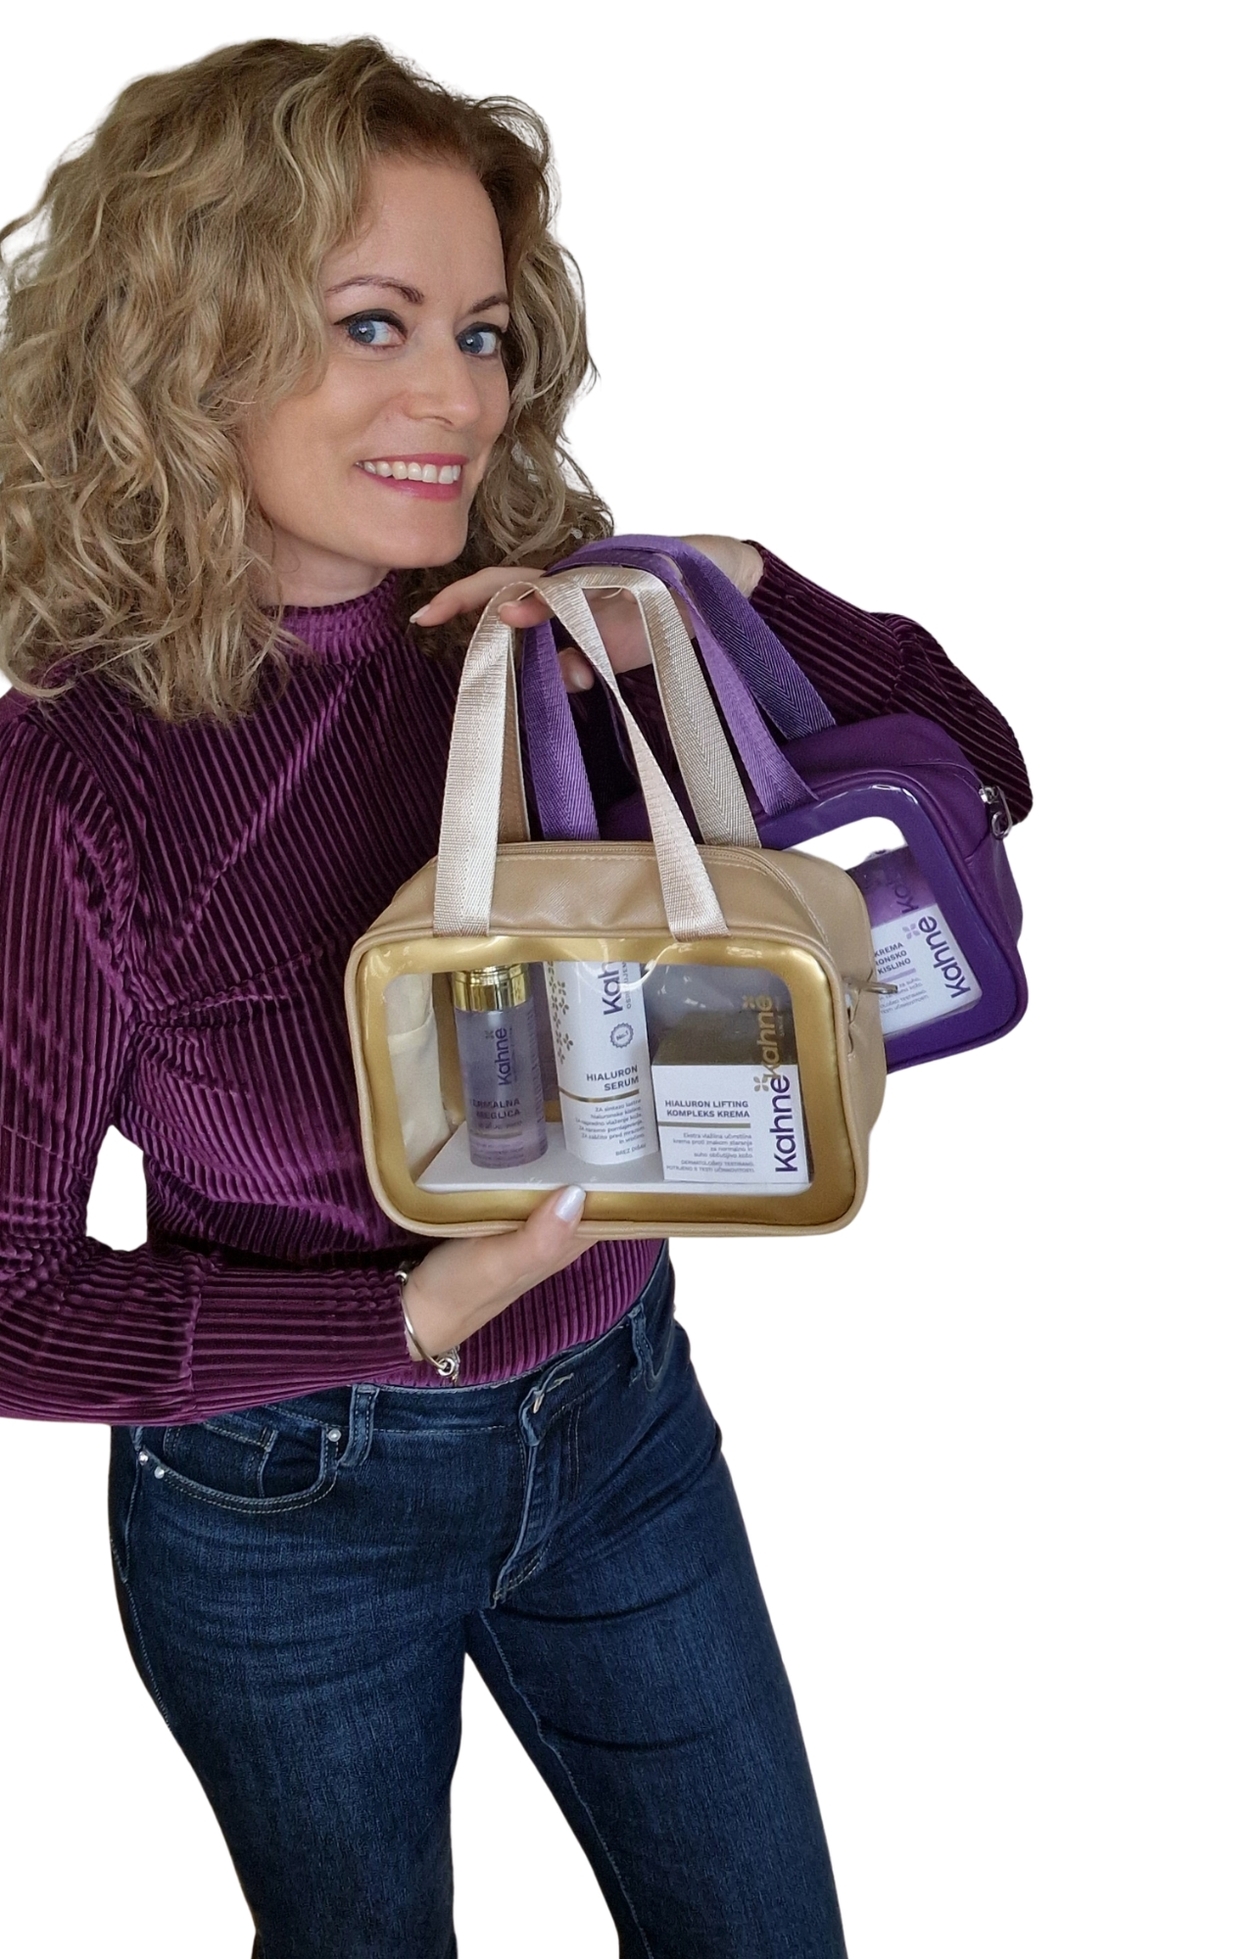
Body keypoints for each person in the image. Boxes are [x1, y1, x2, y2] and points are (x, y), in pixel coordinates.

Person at [0, 36, 1031, 1959]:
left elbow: (973, 780)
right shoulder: (72, 783)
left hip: (621, 1418)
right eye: (372, 324)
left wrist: (712, 587)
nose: (458, 398)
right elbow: (7, 1297)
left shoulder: (547, 640)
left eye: (481, 334)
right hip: (285, 1498)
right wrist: (401, 1317)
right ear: (180, 342)